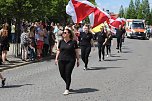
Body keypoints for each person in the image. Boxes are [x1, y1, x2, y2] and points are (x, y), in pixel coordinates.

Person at [55, 29, 79, 95]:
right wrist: (56, 58)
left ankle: (67, 89)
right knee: (62, 74)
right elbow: (58, 50)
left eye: (65, 33)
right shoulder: (61, 41)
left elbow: (76, 51)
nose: (63, 34)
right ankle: (68, 83)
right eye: (63, 33)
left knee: (68, 74)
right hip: (61, 60)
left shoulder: (73, 42)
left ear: (69, 34)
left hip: (70, 60)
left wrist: (78, 60)